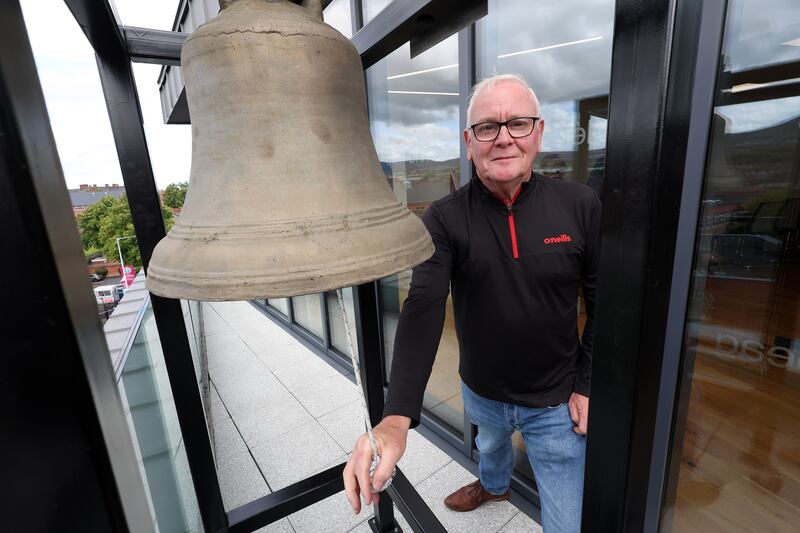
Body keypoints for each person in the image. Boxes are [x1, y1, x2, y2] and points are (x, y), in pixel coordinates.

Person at [343, 73, 601, 532]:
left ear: (538, 133)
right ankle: (495, 486)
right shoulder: (444, 218)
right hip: (482, 392)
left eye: (517, 123)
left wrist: (585, 382)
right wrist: (395, 419)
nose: (503, 138)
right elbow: (422, 308)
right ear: (469, 142)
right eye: (487, 127)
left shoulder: (580, 205)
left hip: (556, 403)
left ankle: (500, 483)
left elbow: (605, 302)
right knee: (492, 450)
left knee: (568, 524)